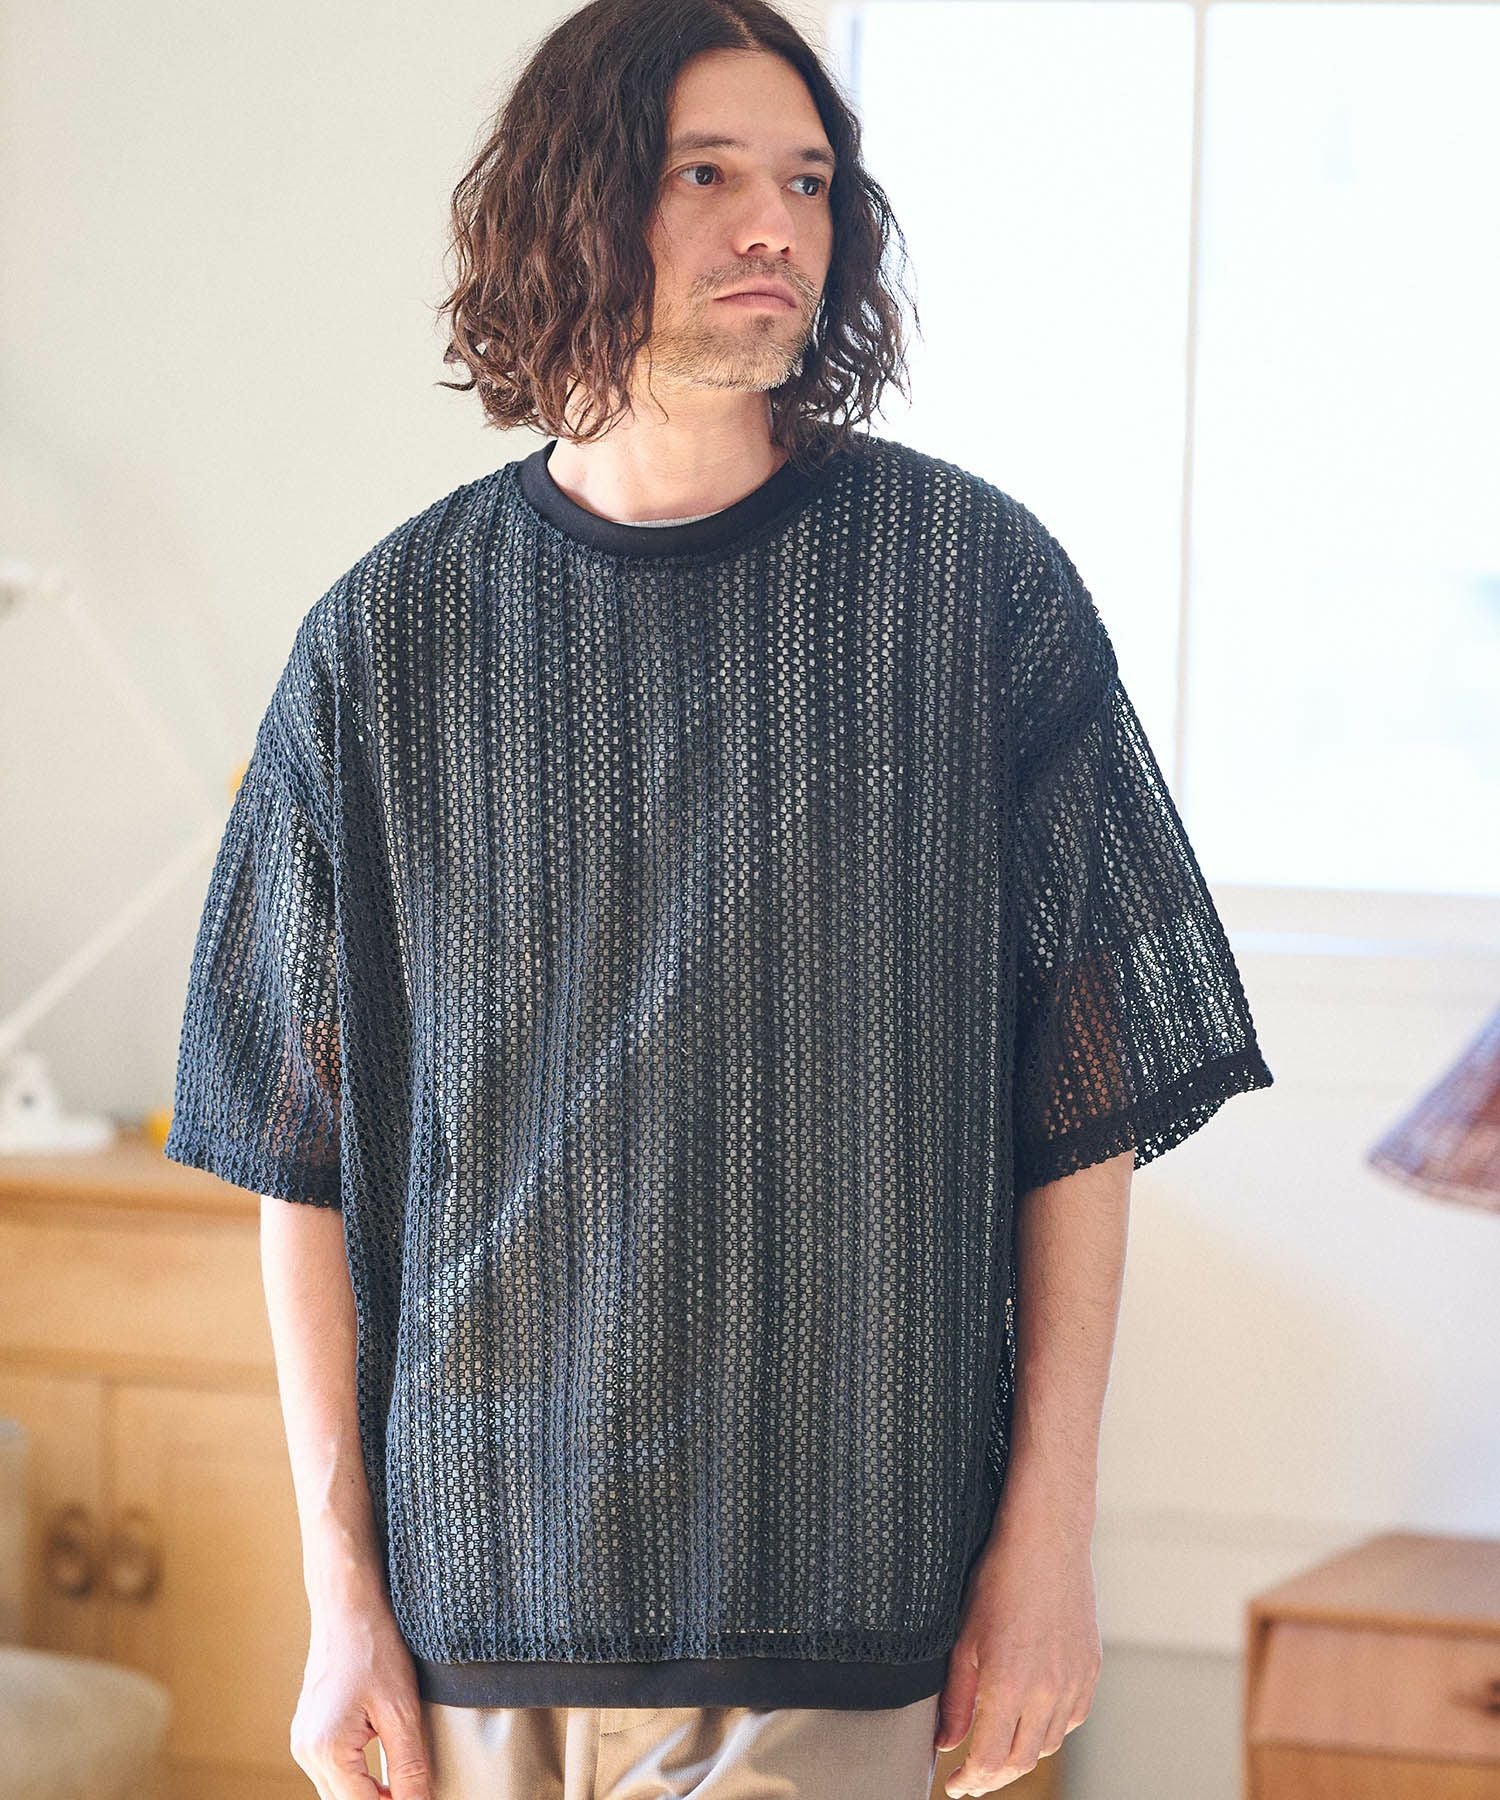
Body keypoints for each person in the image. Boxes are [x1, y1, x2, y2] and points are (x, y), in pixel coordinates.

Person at [162, 0, 1275, 1795]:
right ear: (573, 206)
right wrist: (339, 1592)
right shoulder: (386, 642)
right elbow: (307, 1159)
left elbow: (1086, 1107)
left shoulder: (965, 590)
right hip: (474, 1612)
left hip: (839, 1594)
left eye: (810, 183)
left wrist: (1051, 1535)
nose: (778, 226)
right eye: (709, 174)